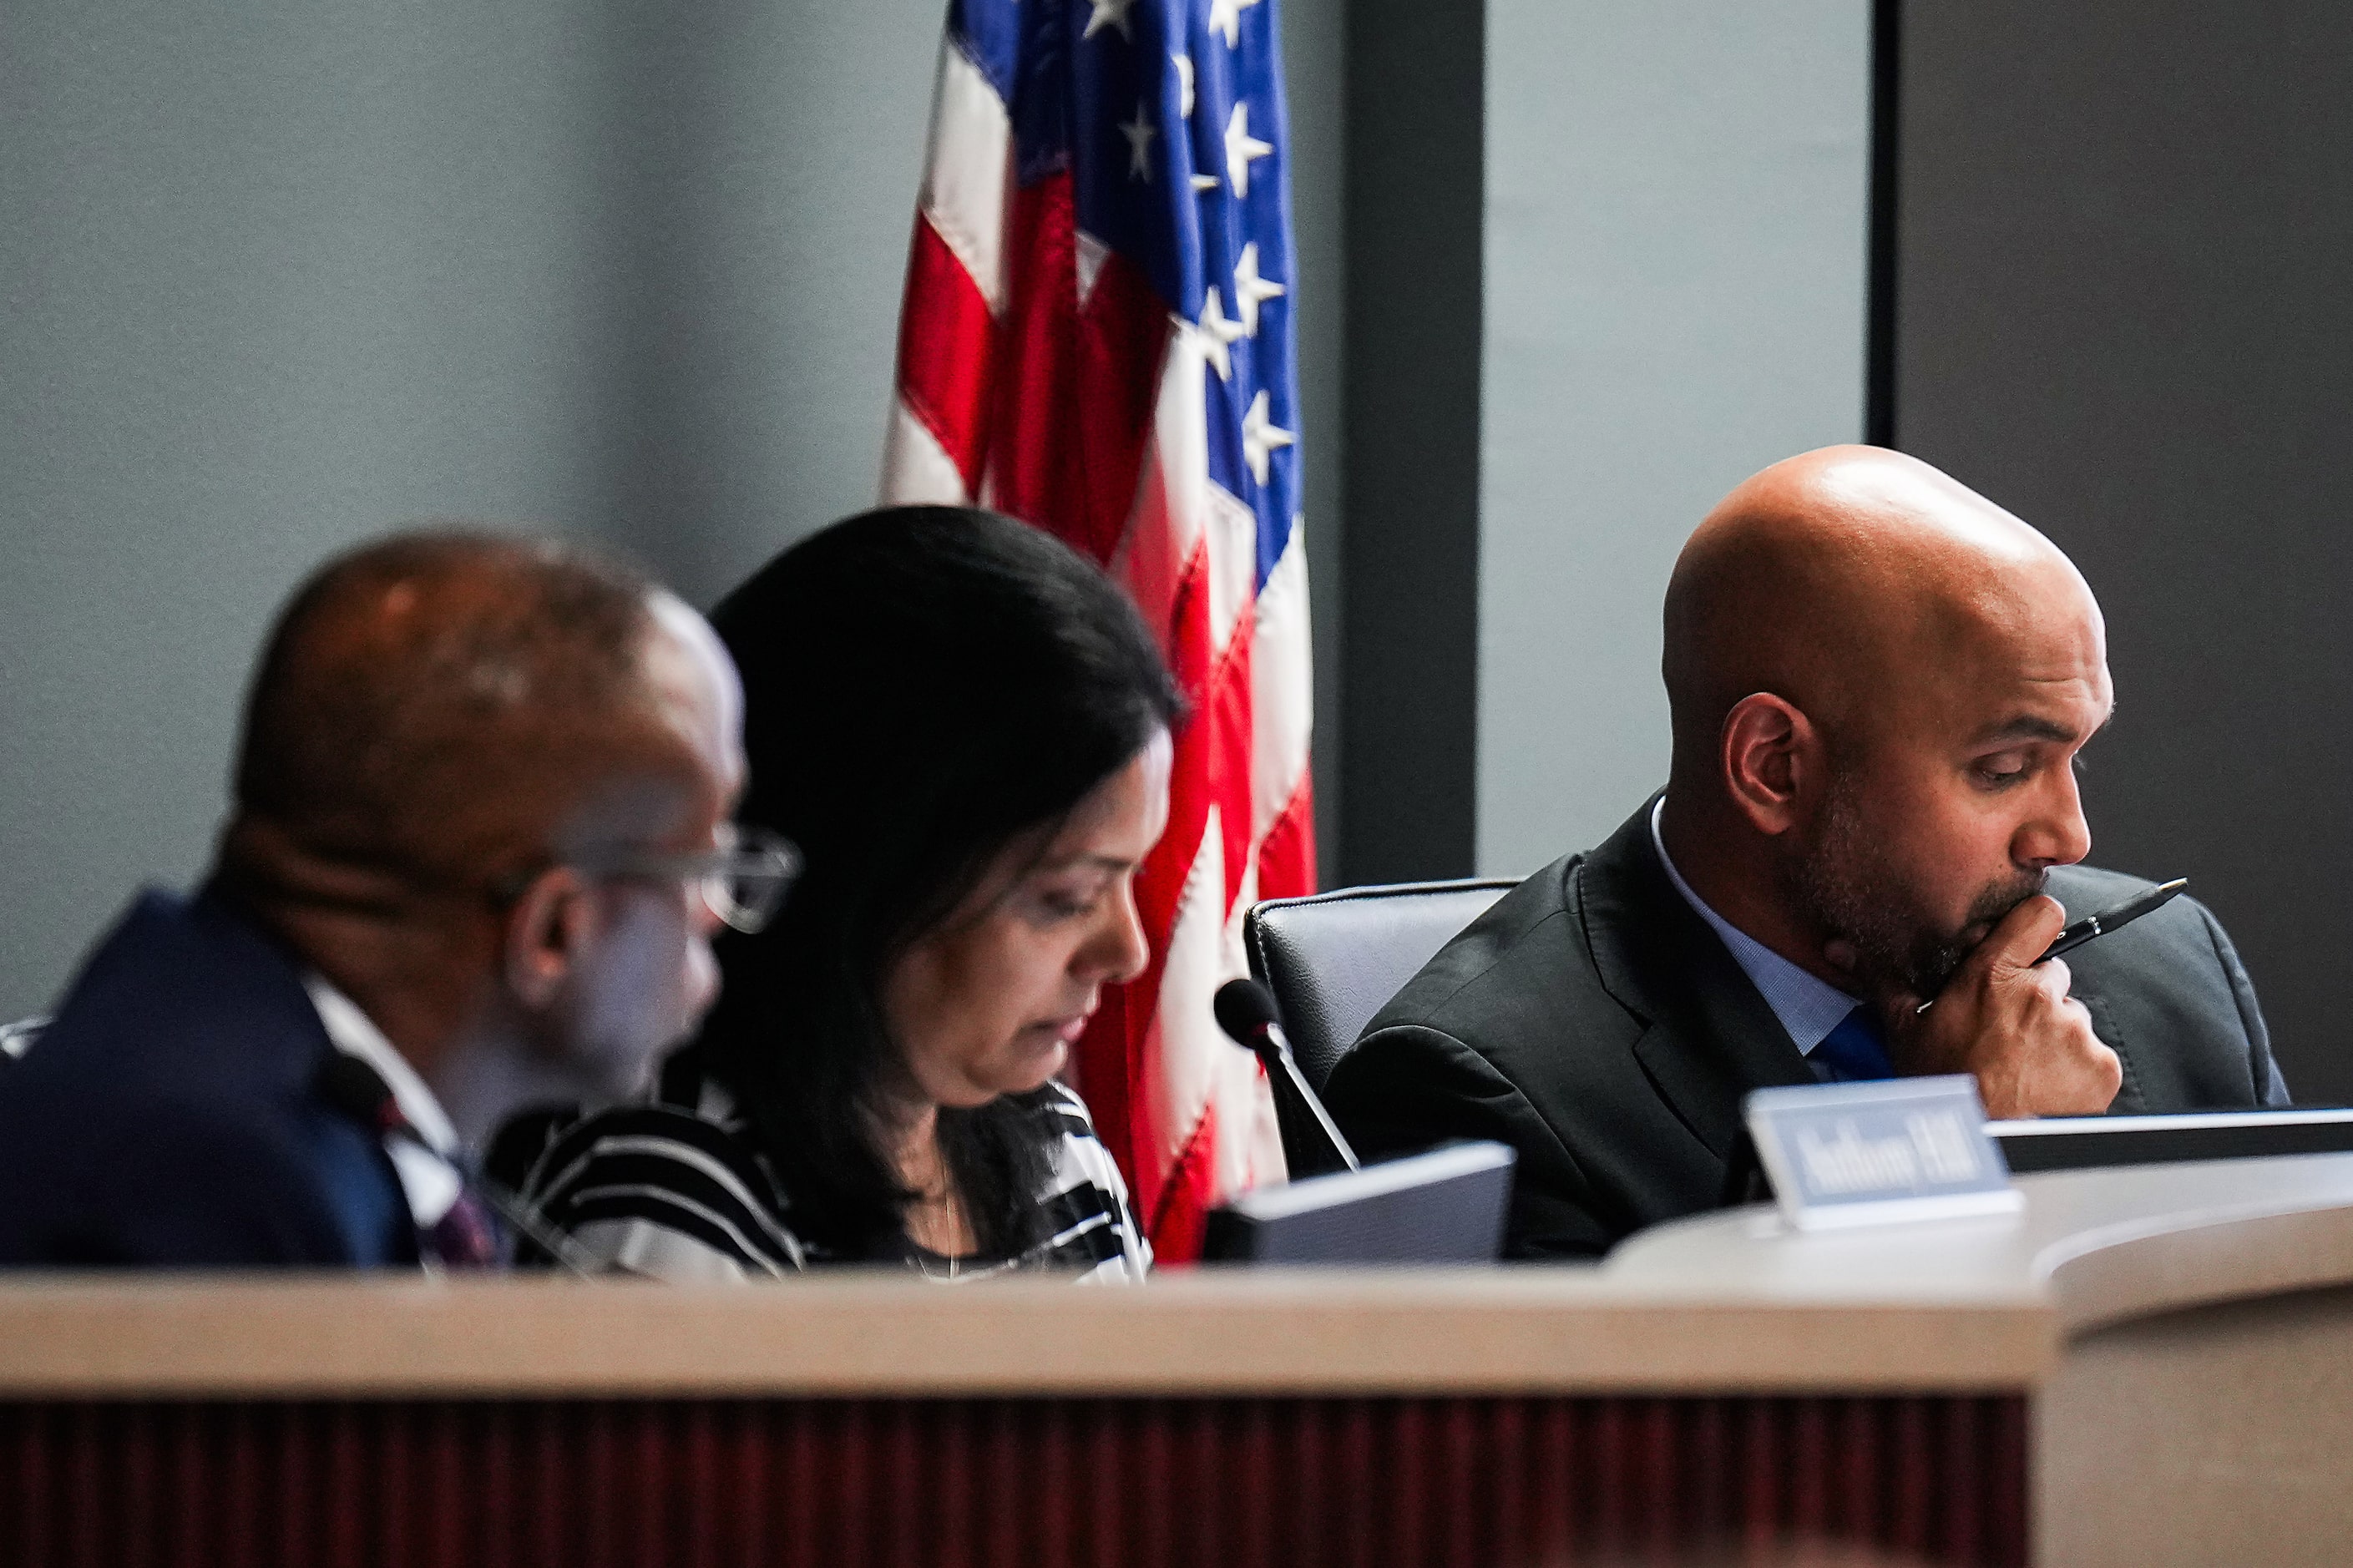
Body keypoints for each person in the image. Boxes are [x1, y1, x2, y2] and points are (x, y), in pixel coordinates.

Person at [1325, 446, 2288, 1259]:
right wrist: (1972, 1153)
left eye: (2075, 756)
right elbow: (1703, 1482)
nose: (2068, 838)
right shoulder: (1483, 1097)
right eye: (2004, 767)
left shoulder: (2173, 975)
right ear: (1773, 767)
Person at [0, 530, 773, 1267]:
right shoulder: (220, 1185)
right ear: (552, 932)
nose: (714, 910)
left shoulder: (257, 1071)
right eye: (701, 857)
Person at [509, 506, 1171, 1282]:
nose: (1127, 952)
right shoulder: (673, 1197)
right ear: (866, 874)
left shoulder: (1057, 1150)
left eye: (1129, 879)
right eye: (1066, 898)